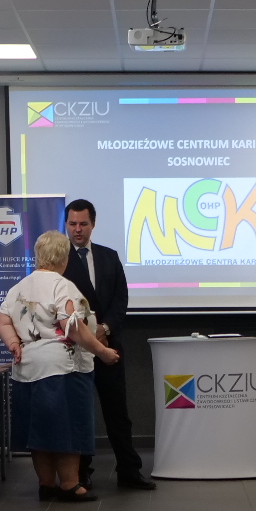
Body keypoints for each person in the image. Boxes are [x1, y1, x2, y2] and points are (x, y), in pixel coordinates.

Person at [0, 230, 120, 502]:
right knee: (68, 427)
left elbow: (3, 320)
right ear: (64, 258)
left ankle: (46, 484)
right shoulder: (63, 286)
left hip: (27, 369)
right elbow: (72, 327)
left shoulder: (18, 287)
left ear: (37, 256)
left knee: (39, 430)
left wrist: (14, 344)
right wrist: (102, 352)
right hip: (62, 369)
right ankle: (69, 484)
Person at [62, 198, 154, 490]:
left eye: (83, 224)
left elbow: (120, 299)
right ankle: (82, 472)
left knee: (118, 413)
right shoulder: (59, 260)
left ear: (93, 224)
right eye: (72, 224)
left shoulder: (109, 256)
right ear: (66, 224)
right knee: (80, 413)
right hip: (75, 349)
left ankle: (129, 470)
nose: (78, 230)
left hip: (109, 345)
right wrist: (90, 333)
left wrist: (104, 328)